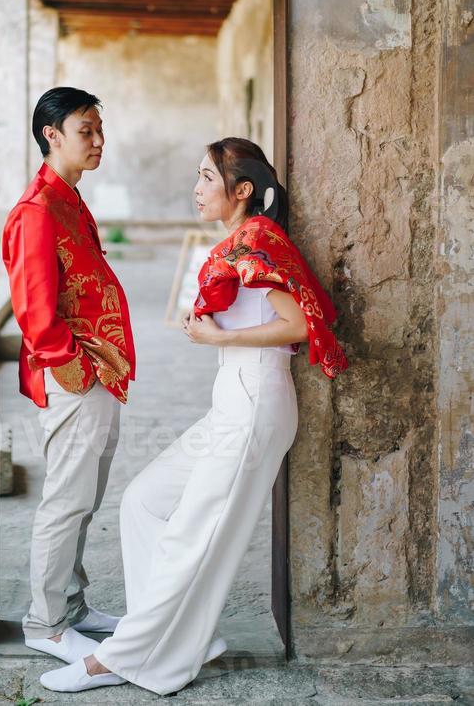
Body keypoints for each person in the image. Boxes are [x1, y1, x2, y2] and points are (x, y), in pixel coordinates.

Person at [39, 137, 348, 695]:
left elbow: (301, 326)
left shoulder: (259, 243)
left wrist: (215, 336)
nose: (197, 189)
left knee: (187, 535)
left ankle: (118, 659)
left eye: (208, 178)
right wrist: (214, 333)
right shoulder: (241, 241)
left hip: (254, 404)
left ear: (243, 190)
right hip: (232, 401)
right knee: (143, 502)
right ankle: (186, 638)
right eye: (199, 176)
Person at [1, 86, 137, 665]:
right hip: (76, 376)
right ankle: (46, 622)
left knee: (86, 497)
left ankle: (74, 607)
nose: (99, 140)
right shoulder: (36, 213)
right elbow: (35, 316)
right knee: (65, 499)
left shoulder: (70, 200)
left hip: (97, 372)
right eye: (87, 130)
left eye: (100, 129)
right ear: (51, 135)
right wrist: (79, 372)